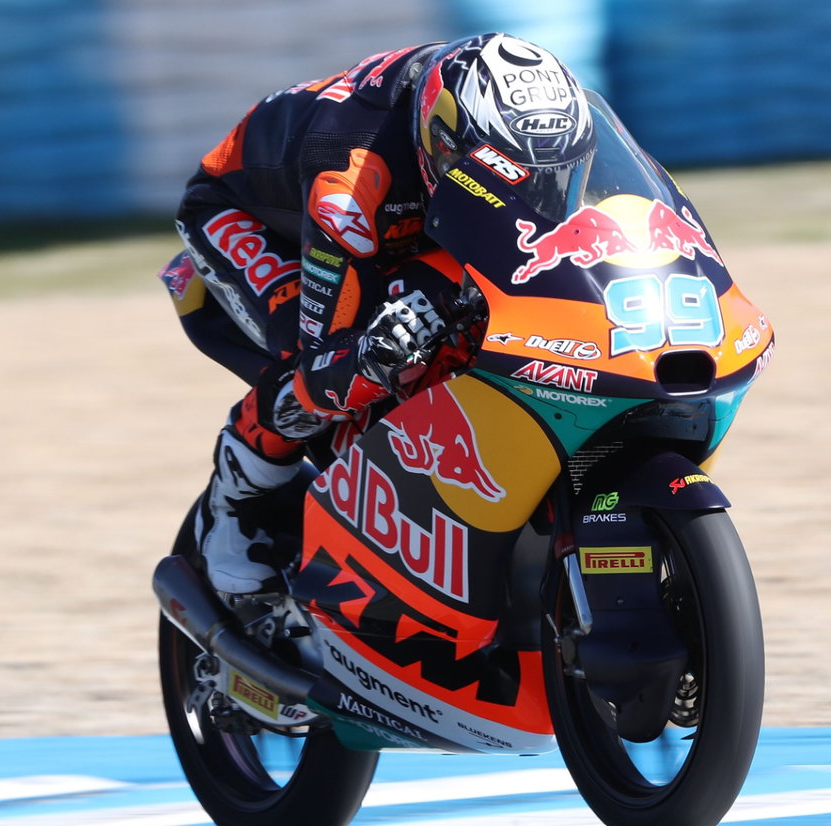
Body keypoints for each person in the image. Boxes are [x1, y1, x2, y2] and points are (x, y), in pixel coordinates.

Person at [159, 33, 597, 595]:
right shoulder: (351, 182)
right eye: (513, 176)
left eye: (555, 173)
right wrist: (370, 354)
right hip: (252, 217)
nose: (539, 193)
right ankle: (234, 508)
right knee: (334, 370)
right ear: (442, 145)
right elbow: (329, 358)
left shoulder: (531, 119)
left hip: (406, 216)